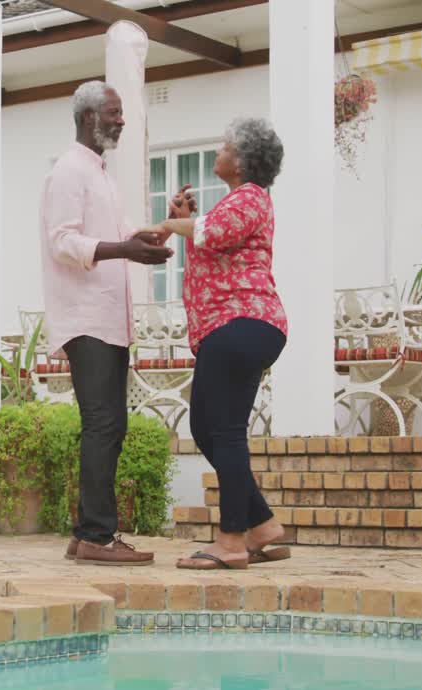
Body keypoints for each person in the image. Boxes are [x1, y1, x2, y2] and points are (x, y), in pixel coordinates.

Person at [137, 117, 289, 570]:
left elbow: (213, 233)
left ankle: (231, 541)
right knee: (207, 427)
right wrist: (184, 223)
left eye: (224, 146)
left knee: (220, 431)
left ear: (240, 161)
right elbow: (209, 244)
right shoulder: (236, 203)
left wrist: (169, 225)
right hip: (236, 328)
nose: (218, 151)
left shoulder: (250, 198)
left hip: (241, 325)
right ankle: (264, 527)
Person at [40, 80, 172, 566]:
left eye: (120, 113)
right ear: (88, 118)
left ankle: (86, 535)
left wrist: (157, 232)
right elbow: (63, 242)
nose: (120, 120)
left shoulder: (100, 174)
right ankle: (97, 535)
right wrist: (124, 250)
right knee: (103, 424)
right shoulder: (69, 171)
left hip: (107, 321)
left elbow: (113, 238)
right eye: (113, 113)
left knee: (110, 426)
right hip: (85, 319)